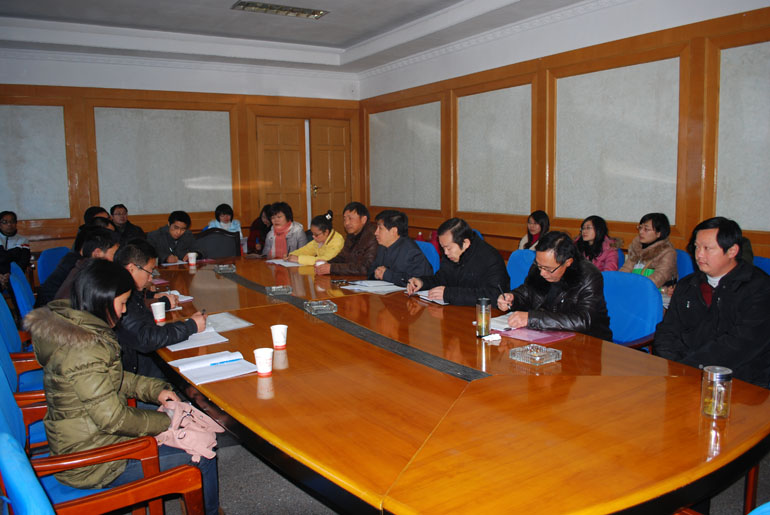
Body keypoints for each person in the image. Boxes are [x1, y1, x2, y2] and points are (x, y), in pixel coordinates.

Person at [24, 259, 220, 515]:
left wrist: (155, 390)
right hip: (96, 463)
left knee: (185, 430)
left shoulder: (77, 330)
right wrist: (167, 421)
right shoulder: (84, 348)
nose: (125, 311)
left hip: (90, 441)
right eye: (122, 303)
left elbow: (112, 378)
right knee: (201, 454)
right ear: (102, 300)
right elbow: (114, 420)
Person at [653, 217, 770, 387]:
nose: (699, 254)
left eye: (707, 248)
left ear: (732, 251)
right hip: (685, 373)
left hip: (742, 381)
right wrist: (675, 366)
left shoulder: (759, 288)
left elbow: (741, 345)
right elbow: (667, 331)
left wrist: (689, 367)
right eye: (697, 247)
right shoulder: (687, 285)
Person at [114, 239, 206, 378]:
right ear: (131, 269)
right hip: (136, 369)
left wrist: (160, 301)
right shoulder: (120, 299)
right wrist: (190, 326)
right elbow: (146, 338)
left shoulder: (125, 289)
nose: (150, 278)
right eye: (149, 272)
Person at [497, 231, 612, 340]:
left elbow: (582, 320)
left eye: (548, 269)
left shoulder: (589, 276)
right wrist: (513, 298)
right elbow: (528, 291)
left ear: (568, 262)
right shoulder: (541, 266)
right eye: (539, 266)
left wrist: (532, 319)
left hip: (586, 341)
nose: (542, 273)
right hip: (547, 335)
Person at [406, 218, 509, 306]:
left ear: (465, 243)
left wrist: (449, 294)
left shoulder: (490, 258)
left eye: (449, 248)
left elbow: (494, 295)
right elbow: (441, 279)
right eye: (443, 248)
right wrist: (422, 282)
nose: (445, 253)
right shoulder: (451, 255)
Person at [54, 227, 120, 301]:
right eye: (114, 254)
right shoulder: (88, 277)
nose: (118, 258)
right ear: (97, 253)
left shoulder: (86, 266)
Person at [369, 210, 432, 286]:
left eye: (380, 228)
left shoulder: (412, 252)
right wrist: (376, 274)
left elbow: (417, 281)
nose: (375, 232)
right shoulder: (382, 246)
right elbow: (371, 270)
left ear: (394, 231)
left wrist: (387, 275)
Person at [316, 202, 377, 276]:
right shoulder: (352, 234)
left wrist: (332, 268)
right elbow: (342, 257)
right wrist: (327, 264)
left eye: (350, 218)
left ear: (363, 219)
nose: (346, 223)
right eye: (345, 219)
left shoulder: (373, 236)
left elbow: (365, 268)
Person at [619, 212, 677, 288]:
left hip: (657, 291)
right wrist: (619, 282)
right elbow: (626, 270)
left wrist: (633, 286)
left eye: (646, 229)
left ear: (658, 233)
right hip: (634, 287)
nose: (641, 232)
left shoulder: (668, 253)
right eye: (640, 228)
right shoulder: (636, 247)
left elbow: (658, 279)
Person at [0, 210, 30, 290]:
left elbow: (23, 262)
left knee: (16, 284)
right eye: (5, 222)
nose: (9, 224)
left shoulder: (23, 240)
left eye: (12, 221)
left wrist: (9, 275)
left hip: (15, 274)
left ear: (16, 224)